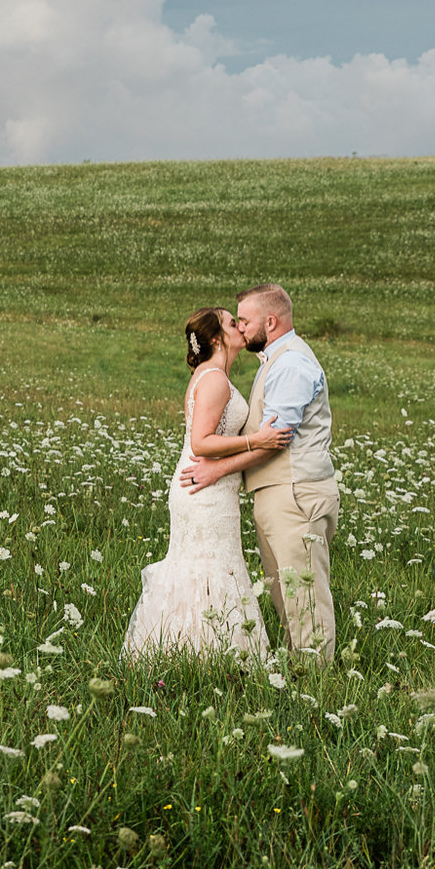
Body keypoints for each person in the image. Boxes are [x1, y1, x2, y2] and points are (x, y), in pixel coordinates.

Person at [179, 283, 341, 662]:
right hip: (277, 492)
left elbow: (274, 441)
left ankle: (315, 680)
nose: (243, 329)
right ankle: (299, 671)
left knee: (304, 595)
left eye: (247, 321)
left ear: (271, 320)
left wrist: (216, 471)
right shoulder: (275, 361)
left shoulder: (291, 365)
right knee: (286, 596)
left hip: (295, 492)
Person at [119, 307, 290, 661]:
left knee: (210, 568)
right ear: (216, 339)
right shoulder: (212, 378)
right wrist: (256, 441)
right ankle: (199, 654)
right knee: (207, 569)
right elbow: (201, 442)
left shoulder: (211, 375)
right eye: (232, 323)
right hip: (202, 491)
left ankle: (199, 653)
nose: (240, 327)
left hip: (210, 486)